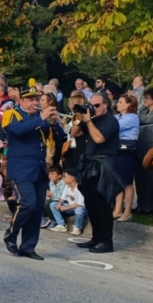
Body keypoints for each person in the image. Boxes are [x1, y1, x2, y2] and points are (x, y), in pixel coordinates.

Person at [1, 84, 60, 259]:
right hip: (20, 170)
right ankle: (10, 234)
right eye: (30, 99)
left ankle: (28, 246)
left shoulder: (40, 119)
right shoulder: (12, 115)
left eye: (36, 99)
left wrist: (55, 124)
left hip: (40, 170)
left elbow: (60, 138)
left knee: (36, 210)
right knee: (27, 204)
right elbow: (18, 131)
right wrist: (41, 117)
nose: (34, 102)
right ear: (20, 100)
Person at [69, 92, 122, 253]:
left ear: (106, 104)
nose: (94, 108)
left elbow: (99, 139)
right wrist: (78, 115)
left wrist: (89, 120)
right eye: (92, 105)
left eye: (97, 105)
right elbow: (74, 133)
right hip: (90, 164)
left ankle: (107, 241)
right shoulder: (92, 119)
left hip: (104, 165)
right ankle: (96, 238)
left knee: (102, 204)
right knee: (91, 203)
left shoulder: (110, 121)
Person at [113, 93, 139, 221]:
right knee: (118, 181)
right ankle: (118, 209)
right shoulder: (116, 116)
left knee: (127, 182)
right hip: (116, 150)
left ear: (130, 104)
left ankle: (127, 211)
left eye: (121, 102)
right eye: (118, 102)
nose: (118, 104)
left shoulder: (133, 117)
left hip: (127, 152)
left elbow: (115, 127)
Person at [50, 169, 87, 234]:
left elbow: (80, 204)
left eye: (65, 177)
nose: (63, 178)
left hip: (81, 209)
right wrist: (59, 203)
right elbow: (62, 199)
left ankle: (77, 227)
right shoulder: (67, 186)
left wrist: (66, 208)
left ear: (72, 178)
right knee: (53, 204)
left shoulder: (80, 187)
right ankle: (61, 224)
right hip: (71, 208)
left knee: (79, 210)